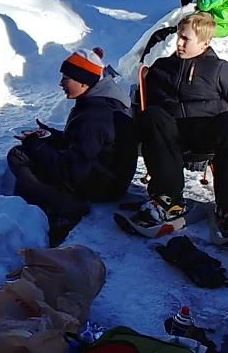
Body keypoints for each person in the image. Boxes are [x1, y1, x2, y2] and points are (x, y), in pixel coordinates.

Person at [133, 12, 228, 251]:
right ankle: (166, 198)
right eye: (179, 37)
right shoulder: (162, 68)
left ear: (205, 43)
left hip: (207, 132)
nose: (179, 43)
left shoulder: (219, 69)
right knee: (152, 115)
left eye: (186, 39)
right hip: (172, 135)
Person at [7, 48, 138, 246]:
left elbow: (71, 170)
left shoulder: (93, 117)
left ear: (84, 81)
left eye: (66, 78)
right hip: (110, 178)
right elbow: (87, 144)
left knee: (18, 155)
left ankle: (64, 207)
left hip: (100, 187)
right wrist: (50, 135)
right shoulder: (103, 102)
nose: (61, 83)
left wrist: (34, 145)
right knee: (36, 150)